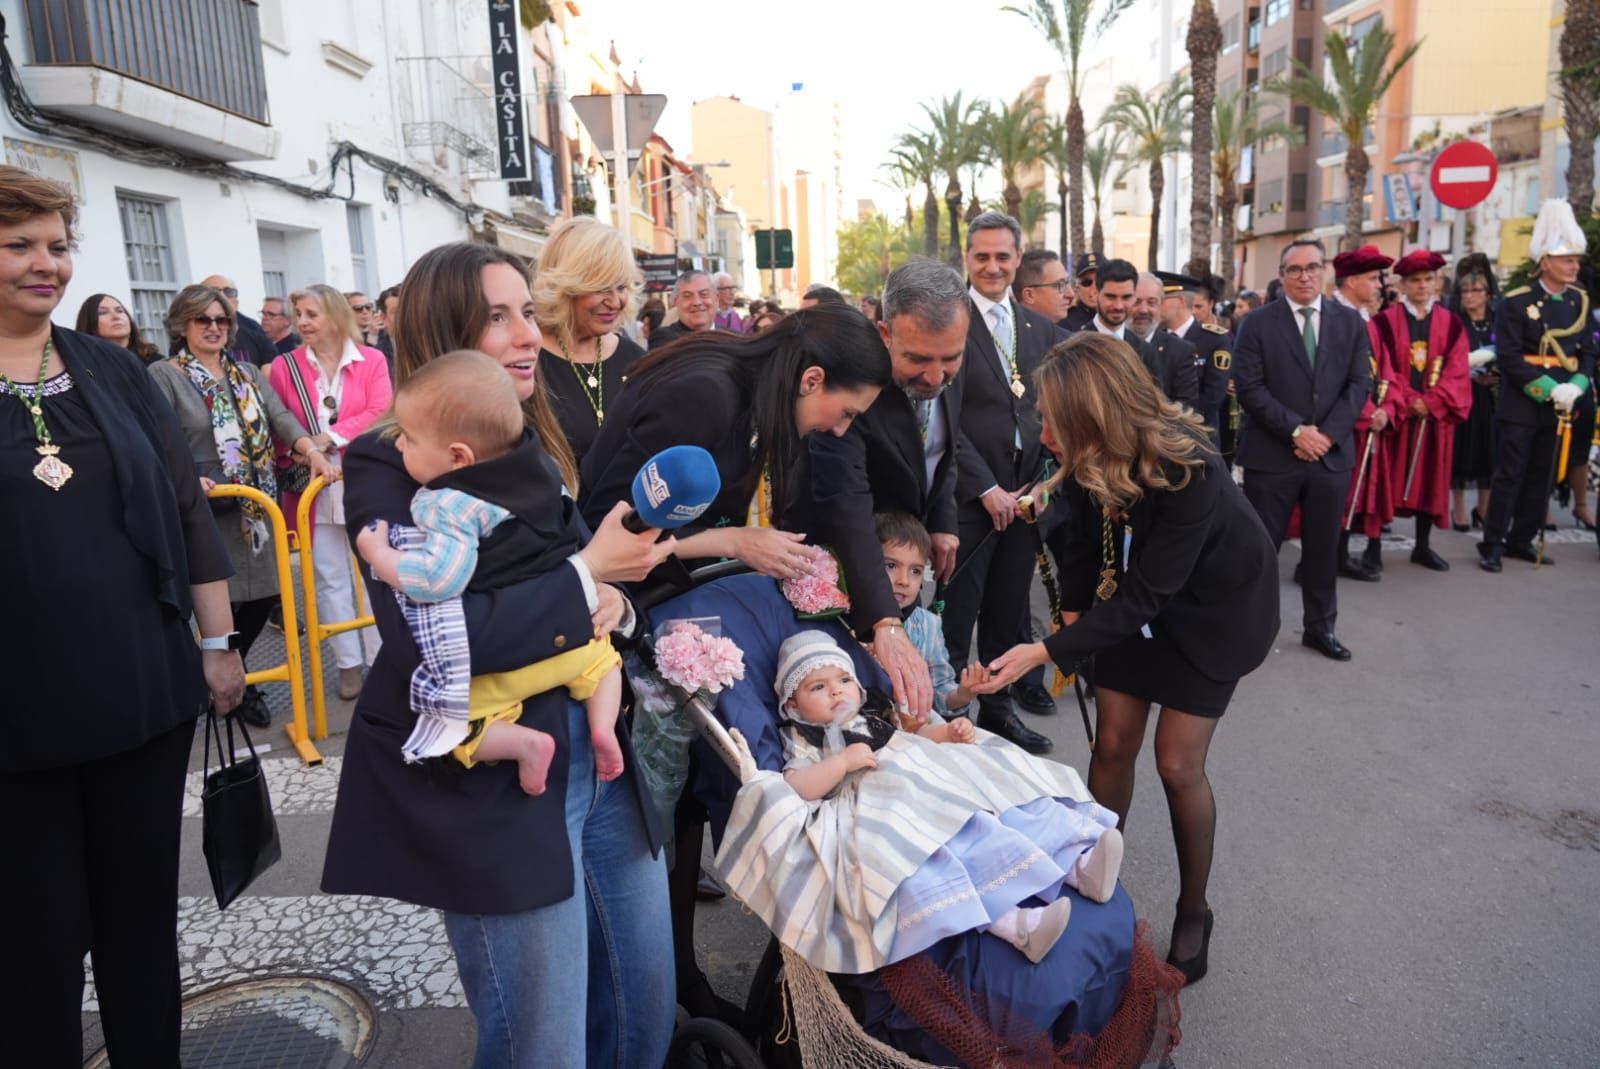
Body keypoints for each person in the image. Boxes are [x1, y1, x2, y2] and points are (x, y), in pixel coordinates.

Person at [323, 240, 677, 1068]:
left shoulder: (531, 431)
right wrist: (589, 577)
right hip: (497, 776)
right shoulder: (389, 454)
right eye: (498, 316)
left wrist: (614, 595)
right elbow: (438, 635)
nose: (527, 334)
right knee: (542, 1044)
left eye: (528, 311)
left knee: (642, 1011)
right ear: (444, 330)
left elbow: (582, 567)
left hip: (601, 762)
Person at [0, 164, 244, 1067]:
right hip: (15, 723)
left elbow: (187, 510)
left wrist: (219, 645)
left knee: (139, 927)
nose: (46, 264)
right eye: (19, 244)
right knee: (34, 945)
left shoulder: (112, 367)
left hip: (142, 698)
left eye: (59, 245)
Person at [975, 331, 1279, 985]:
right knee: (1111, 743)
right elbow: (1086, 538)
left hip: (1213, 611)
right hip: (1132, 601)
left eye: (1054, 417)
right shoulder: (1088, 454)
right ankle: (1090, 875)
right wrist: (1075, 608)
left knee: (1176, 763)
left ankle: (1193, 908)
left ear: (1093, 412)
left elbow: (1149, 594)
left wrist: (1045, 648)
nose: (1045, 430)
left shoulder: (1186, 463)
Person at [717, 629, 1123, 973]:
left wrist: (946, 735)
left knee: (993, 803)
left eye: (842, 680)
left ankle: (1079, 864)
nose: (835, 692)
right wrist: (840, 763)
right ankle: (1019, 926)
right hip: (882, 803)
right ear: (791, 703)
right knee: (941, 855)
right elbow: (798, 786)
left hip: (927, 780)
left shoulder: (873, 717)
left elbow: (906, 740)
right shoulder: (803, 737)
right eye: (817, 687)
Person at [354, 351, 625, 793]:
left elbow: (437, 580)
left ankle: (524, 746)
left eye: (408, 437)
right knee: (607, 664)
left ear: (458, 456)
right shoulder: (542, 467)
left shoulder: (448, 502)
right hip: (578, 646)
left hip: (508, 670)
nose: (398, 444)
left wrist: (378, 554)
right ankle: (604, 727)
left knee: (454, 723)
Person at [581, 303, 889, 592]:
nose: (841, 430)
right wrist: (734, 542)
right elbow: (613, 525)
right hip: (618, 597)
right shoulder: (706, 396)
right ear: (811, 380)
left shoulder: (745, 381)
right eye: (847, 413)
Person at [784, 259, 969, 719]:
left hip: (903, 556)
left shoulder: (947, 361)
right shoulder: (848, 382)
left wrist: (941, 521)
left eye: (951, 359)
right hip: (847, 571)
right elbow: (845, 506)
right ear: (885, 334)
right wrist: (884, 622)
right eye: (918, 360)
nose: (936, 377)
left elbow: (944, 449)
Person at [149, 283, 332, 727]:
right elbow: (159, 436)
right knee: (221, 603)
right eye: (203, 320)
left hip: (256, 509)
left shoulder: (247, 372)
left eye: (222, 320)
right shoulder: (164, 374)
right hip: (207, 507)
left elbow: (281, 418)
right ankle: (229, 679)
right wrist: (188, 477)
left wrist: (311, 450)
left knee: (265, 596)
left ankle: (237, 673)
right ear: (182, 325)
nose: (214, 327)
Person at [943, 212, 1065, 754]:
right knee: (955, 619)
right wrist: (985, 488)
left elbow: (1053, 413)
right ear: (966, 260)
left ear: (1019, 260)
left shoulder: (1041, 328)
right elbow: (944, 419)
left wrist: (1045, 483)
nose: (992, 266)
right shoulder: (950, 321)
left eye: (1002, 256)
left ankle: (998, 711)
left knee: (1007, 613)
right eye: (981, 256)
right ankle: (944, 715)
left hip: (1027, 500)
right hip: (971, 501)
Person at [1234, 238, 1371, 661]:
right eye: (1295, 269)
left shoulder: (1350, 323)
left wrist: (1325, 435)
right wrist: (1297, 431)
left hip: (1329, 457)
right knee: (1260, 550)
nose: (1305, 276)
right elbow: (1250, 389)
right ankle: (1244, 631)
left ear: (1325, 271)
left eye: (1313, 267)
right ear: (1282, 276)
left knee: (1323, 547)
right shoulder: (1256, 323)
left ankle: (1320, 627)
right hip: (1273, 457)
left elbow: (1358, 385)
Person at [267, 283, 392, 699]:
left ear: (335, 316)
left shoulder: (372, 360)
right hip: (312, 485)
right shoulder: (285, 366)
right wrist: (302, 449)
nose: (302, 322)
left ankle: (382, 658)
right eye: (298, 313)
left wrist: (331, 437)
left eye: (311, 314)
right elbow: (279, 420)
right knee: (329, 576)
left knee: (374, 573)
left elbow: (381, 411)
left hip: (365, 478)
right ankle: (348, 664)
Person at [1479, 199, 1599, 571]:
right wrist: (1550, 388)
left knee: (1544, 474)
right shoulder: (1516, 302)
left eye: (1576, 260)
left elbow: (1589, 352)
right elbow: (1510, 357)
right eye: (1566, 260)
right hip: (1525, 398)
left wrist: (1576, 385)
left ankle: (1522, 539)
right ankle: (1493, 543)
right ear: (1545, 261)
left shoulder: (1579, 299)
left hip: (1565, 401)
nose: (1574, 266)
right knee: (1511, 474)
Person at [1378, 250, 1472, 572]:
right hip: (1398, 416)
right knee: (1385, 480)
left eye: (1428, 280)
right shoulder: (1384, 322)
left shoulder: (1452, 324)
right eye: (1415, 280)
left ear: (1437, 282)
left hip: (1433, 418)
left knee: (1429, 478)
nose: (1422, 286)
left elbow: (1458, 370)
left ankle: (1422, 545)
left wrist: (1431, 402)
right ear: (1402, 284)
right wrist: (1408, 399)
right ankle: (1373, 547)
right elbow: (1383, 366)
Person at [533, 217, 647, 464]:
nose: (615, 302)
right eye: (601, 288)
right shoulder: (525, 360)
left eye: (621, 287)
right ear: (565, 287)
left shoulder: (636, 360)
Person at [1329, 244, 1401, 582]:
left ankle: (1340, 555)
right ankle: (1320, 561)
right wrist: (1366, 412)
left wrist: (1387, 407)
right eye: (1372, 279)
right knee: (1334, 497)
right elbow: (1332, 378)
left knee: (1355, 494)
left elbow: (1385, 371)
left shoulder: (1369, 322)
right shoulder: (1333, 320)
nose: (1378, 286)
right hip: (1341, 425)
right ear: (1352, 281)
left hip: (1370, 422)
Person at [878, 512, 987, 717]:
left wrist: (963, 694)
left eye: (916, 571)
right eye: (891, 566)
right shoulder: (848, 618)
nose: (904, 581)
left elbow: (939, 688)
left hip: (915, 730)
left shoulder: (928, 625)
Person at [1448, 254, 1500, 530]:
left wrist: (1497, 374)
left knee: (1489, 452)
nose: (1469, 296)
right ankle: (1457, 508)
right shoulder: (1455, 322)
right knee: (1460, 451)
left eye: (1475, 290)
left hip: (1492, 398)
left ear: (1488, 294)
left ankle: (1484, 508)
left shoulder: (1498, 320)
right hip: (1464, 394)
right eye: (1465, 291)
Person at [1156, 271, 1231, 443]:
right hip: (1160, 438)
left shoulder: (1214, 340)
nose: (1156, 305)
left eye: (1162, 299)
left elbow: (1213, 397)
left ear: (1181, 302)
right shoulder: (1156, 339)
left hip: (1199, 436)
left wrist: (1175, 422)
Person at [1129, 271, 1200, 406]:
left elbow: (1186, 409)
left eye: (1152, 302)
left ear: (1161, 305)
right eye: (1136, 302)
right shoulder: (1109, 344)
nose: (1144, 310)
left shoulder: (1180, 352)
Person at [200, 273, 277, 366]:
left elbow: (270, 368)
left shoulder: (253, 329)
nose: (222, 296)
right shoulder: (192, 329)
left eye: (229, 292)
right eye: (214, 292)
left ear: (236, 301)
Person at [73, 292, 159, 362]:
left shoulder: (154, 361)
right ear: (89, 321)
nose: (116, 317)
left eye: (120, 311)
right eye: (103, 312)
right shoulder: (82, 363)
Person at [647, 271, 716, 349]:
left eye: (704, 294)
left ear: (717, 298)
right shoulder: (664, 339)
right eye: (687, 296)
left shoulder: (729, 336)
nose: (696, 302)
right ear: (676, 302)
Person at [1013, 248, 1072, 325]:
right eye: (1060, 285)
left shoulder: (1068, 335)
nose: (1070, 294)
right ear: (1029, 295)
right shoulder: (1010, 335)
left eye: (1067, 283)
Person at [1060, 252, 1099, 331]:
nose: (1094, 288)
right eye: (1086, 282)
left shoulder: (1121, 318)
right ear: (1077, 287)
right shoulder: (1065, 323)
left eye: (1100, 281)